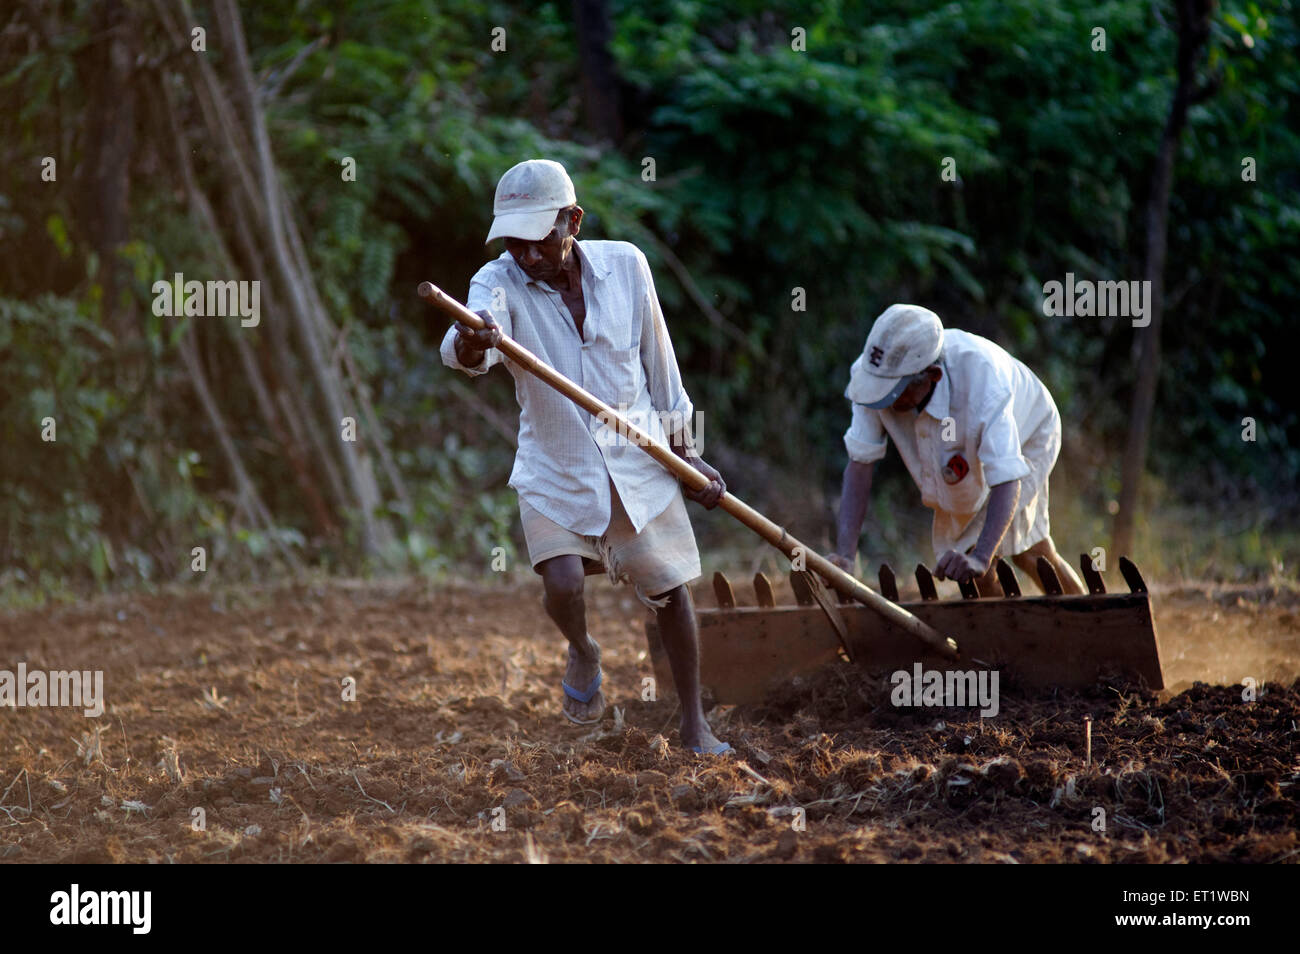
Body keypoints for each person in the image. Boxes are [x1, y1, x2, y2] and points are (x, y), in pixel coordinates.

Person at [440, 158, 731, 754]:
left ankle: (694, 724)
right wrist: (475, 338)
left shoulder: (627, 267)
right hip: (556, 465)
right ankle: (582, 648)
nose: (526, 256)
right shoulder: (499, 279)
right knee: (565, 582)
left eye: (538, 240)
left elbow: (661, 367)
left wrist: (688, 454)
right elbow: (467, 339)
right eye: (514, 243)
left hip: (639, 460)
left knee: (672, 592)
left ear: (572, 220)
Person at [828, 303, 1085, 596]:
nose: (882, 402)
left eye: (894, 394)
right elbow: (860, 464)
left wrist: (981, 557)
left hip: (1029, 431)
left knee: (997, 556)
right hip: (966, 444)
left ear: (932, 377)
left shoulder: (984, 384)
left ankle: (1088, 620)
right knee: (1014, 553)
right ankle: (1010, 634)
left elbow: (1007, 476)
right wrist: (846, 556)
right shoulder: (872, 377)